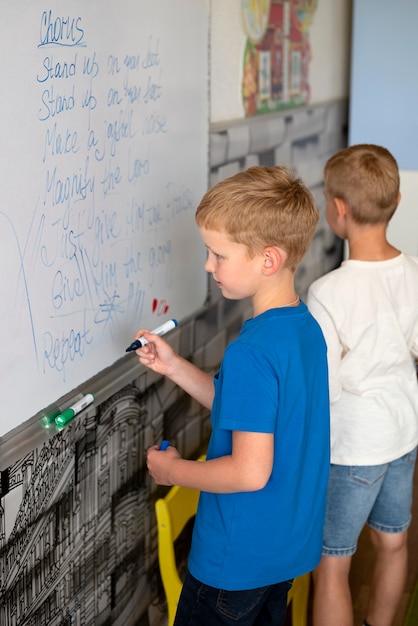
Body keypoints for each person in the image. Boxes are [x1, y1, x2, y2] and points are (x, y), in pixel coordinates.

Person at [137, 166, 330, 626]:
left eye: (218, 255)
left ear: (268, 259)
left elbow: (249, 471)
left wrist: (172, 471)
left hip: (233, 564)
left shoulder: (251, 352)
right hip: (285, 553)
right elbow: (248, 411)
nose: (208, 266)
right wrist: (173, 366)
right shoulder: (304, 330)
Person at [307, 144, 418, 626]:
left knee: (332, 561)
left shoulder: (327, 292)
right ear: (395, 202)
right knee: (394, 544)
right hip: (403, 434)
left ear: (338, 210)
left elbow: (325, 390)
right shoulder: (414, 271)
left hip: (353, 447)